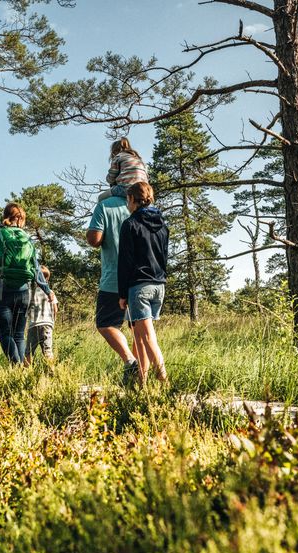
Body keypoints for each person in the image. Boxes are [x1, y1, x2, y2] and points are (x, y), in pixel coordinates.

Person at [0, 203, 55, 364]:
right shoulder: (27, 238)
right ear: (21, 219)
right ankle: (21, 368)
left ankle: (17, 366)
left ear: (5, 216)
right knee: (19, 334)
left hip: (0, 290)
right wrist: (47, 289)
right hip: (23, 291)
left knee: (5, 334)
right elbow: (36, 268)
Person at [88, 180, 140, 384]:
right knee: (138, 328)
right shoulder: (141, 207)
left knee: (105, 323)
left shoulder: (105, 205)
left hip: (114, 278)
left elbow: (94, 240)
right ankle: (140, 377)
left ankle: (130, 361)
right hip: (141, 277)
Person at [117, 182, 169, 384]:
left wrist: (122, 293)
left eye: (127, 200)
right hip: (158, 285)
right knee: (139, 336)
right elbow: (164, 257)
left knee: (147, 337)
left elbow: (125, 261)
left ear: (132, 199)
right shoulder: (163, 225)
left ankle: (164, 382)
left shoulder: (130, 224)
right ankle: (142, 383)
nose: (127, 205)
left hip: (139, 287)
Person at [98, 137, 149, 202]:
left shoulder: (118, 157)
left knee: (101, 198)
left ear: (114, 151)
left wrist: (109, 178)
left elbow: (111, 178)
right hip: (143, 191)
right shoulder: (139, 160)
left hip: (126, 189)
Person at [25, 265, 58, 364]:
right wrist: (53, 321)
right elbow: (55, 309)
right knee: (48, 351)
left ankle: (26, 370)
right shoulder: (50, 292)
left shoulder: (30, 292)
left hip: (34, 324)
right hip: (47, 324)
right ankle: (51, 370)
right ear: (46, 280)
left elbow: (26, 309)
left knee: (29, 351)